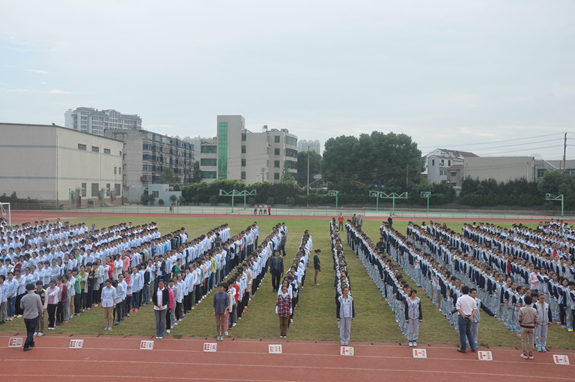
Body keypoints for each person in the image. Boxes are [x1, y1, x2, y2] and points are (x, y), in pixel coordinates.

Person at [20, 283, 42, 351]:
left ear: (27, 289)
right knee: (31, 331)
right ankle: (26, 345)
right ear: (34, 288)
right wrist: (41, 313)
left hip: (26, 316)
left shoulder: (23, 297)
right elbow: (40, 306)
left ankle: (31, 342)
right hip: (34, 316)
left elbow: (21, 307)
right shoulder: (37, 296)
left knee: (29, 330)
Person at [455, 285, 476, 353]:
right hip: (469, 316)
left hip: (462, 317)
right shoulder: (472, 299)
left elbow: (458, 308)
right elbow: (474, 309)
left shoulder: (460, 298)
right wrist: (471, 316)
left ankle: (463, 348)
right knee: (469, 332)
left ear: (462, 291)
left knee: (463, 334)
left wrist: (463, 315)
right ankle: (473, 346)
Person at [518, 296, 538, 360]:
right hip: (531, 326)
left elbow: (519, 318)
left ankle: (525, 354)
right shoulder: (534, 310)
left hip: (524, 326)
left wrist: (520, 323)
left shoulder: (522, 309)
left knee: (524, 341)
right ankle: (531, 354)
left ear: (525, 301)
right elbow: (536, 318)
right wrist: (535, 323)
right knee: (531, 341)